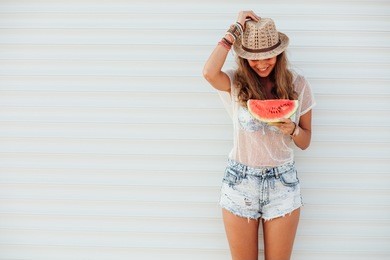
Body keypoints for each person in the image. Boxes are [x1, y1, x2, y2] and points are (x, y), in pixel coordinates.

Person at [202, 11, 316, 260]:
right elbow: (209, 73)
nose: (262, 63)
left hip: (282, 184)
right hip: (239, 181)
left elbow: (306, 140)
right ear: (243, 58)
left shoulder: (299, 84)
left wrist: (293, 130)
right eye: (254, 58)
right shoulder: (236, 82)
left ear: (279, 53)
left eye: (269, 56)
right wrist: (234, 30)